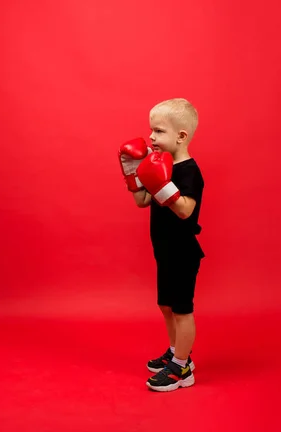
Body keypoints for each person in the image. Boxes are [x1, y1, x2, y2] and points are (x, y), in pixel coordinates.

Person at [118, 98, 205, 392]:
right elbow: (143, 202)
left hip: (182, 251)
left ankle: (182, 368)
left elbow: (184, 210)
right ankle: (175, 352)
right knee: (165, 306)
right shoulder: (157, 164)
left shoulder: (189, 171)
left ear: (181, 135)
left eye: (159, 131)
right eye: (150, 131)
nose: (151, 138)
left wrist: (161, 183)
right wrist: (132, 172)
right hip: (164, 248)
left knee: (181, 309)